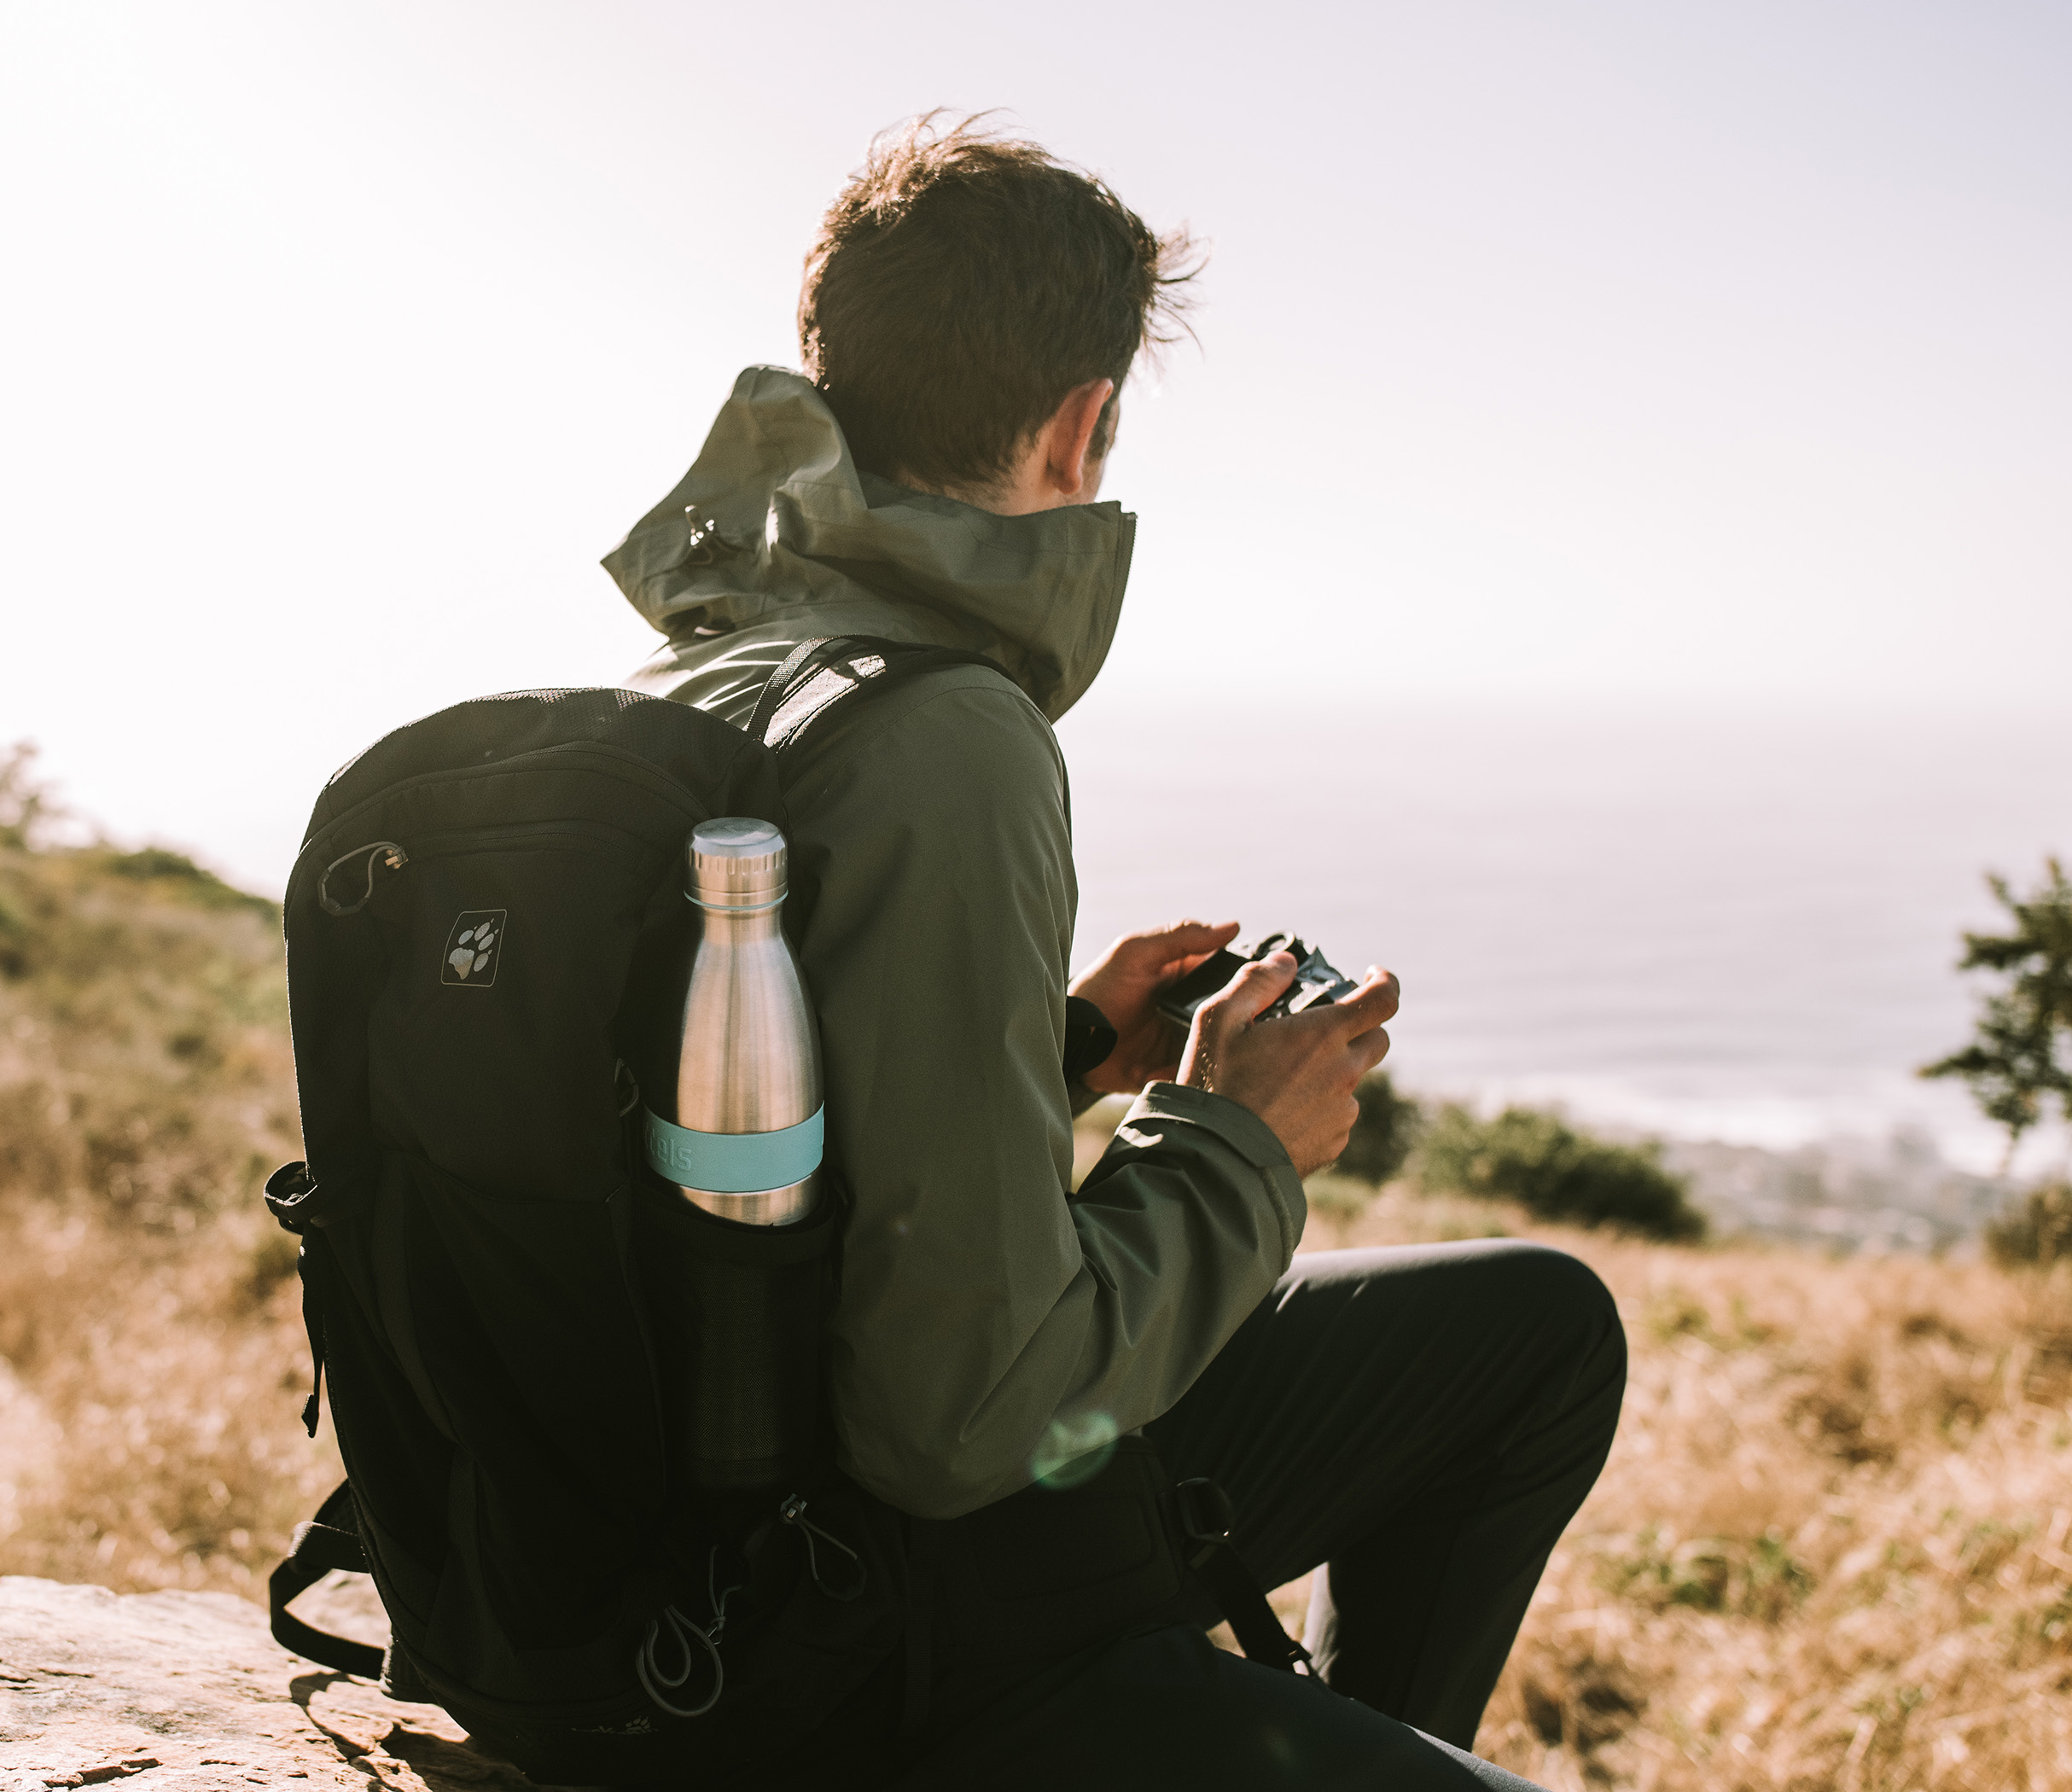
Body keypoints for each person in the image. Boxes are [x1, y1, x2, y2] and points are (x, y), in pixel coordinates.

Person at [607, 115, 1627, 1789]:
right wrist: (1230, 1138)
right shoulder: (945, 734)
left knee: (1531, 1322)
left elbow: (726, 1165)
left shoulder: (687, 688)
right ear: (1079, 427)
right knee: (1534, 1346)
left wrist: (1070, 1053)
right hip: (844, 1617)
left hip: (632, 1546)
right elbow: (962, 1426)